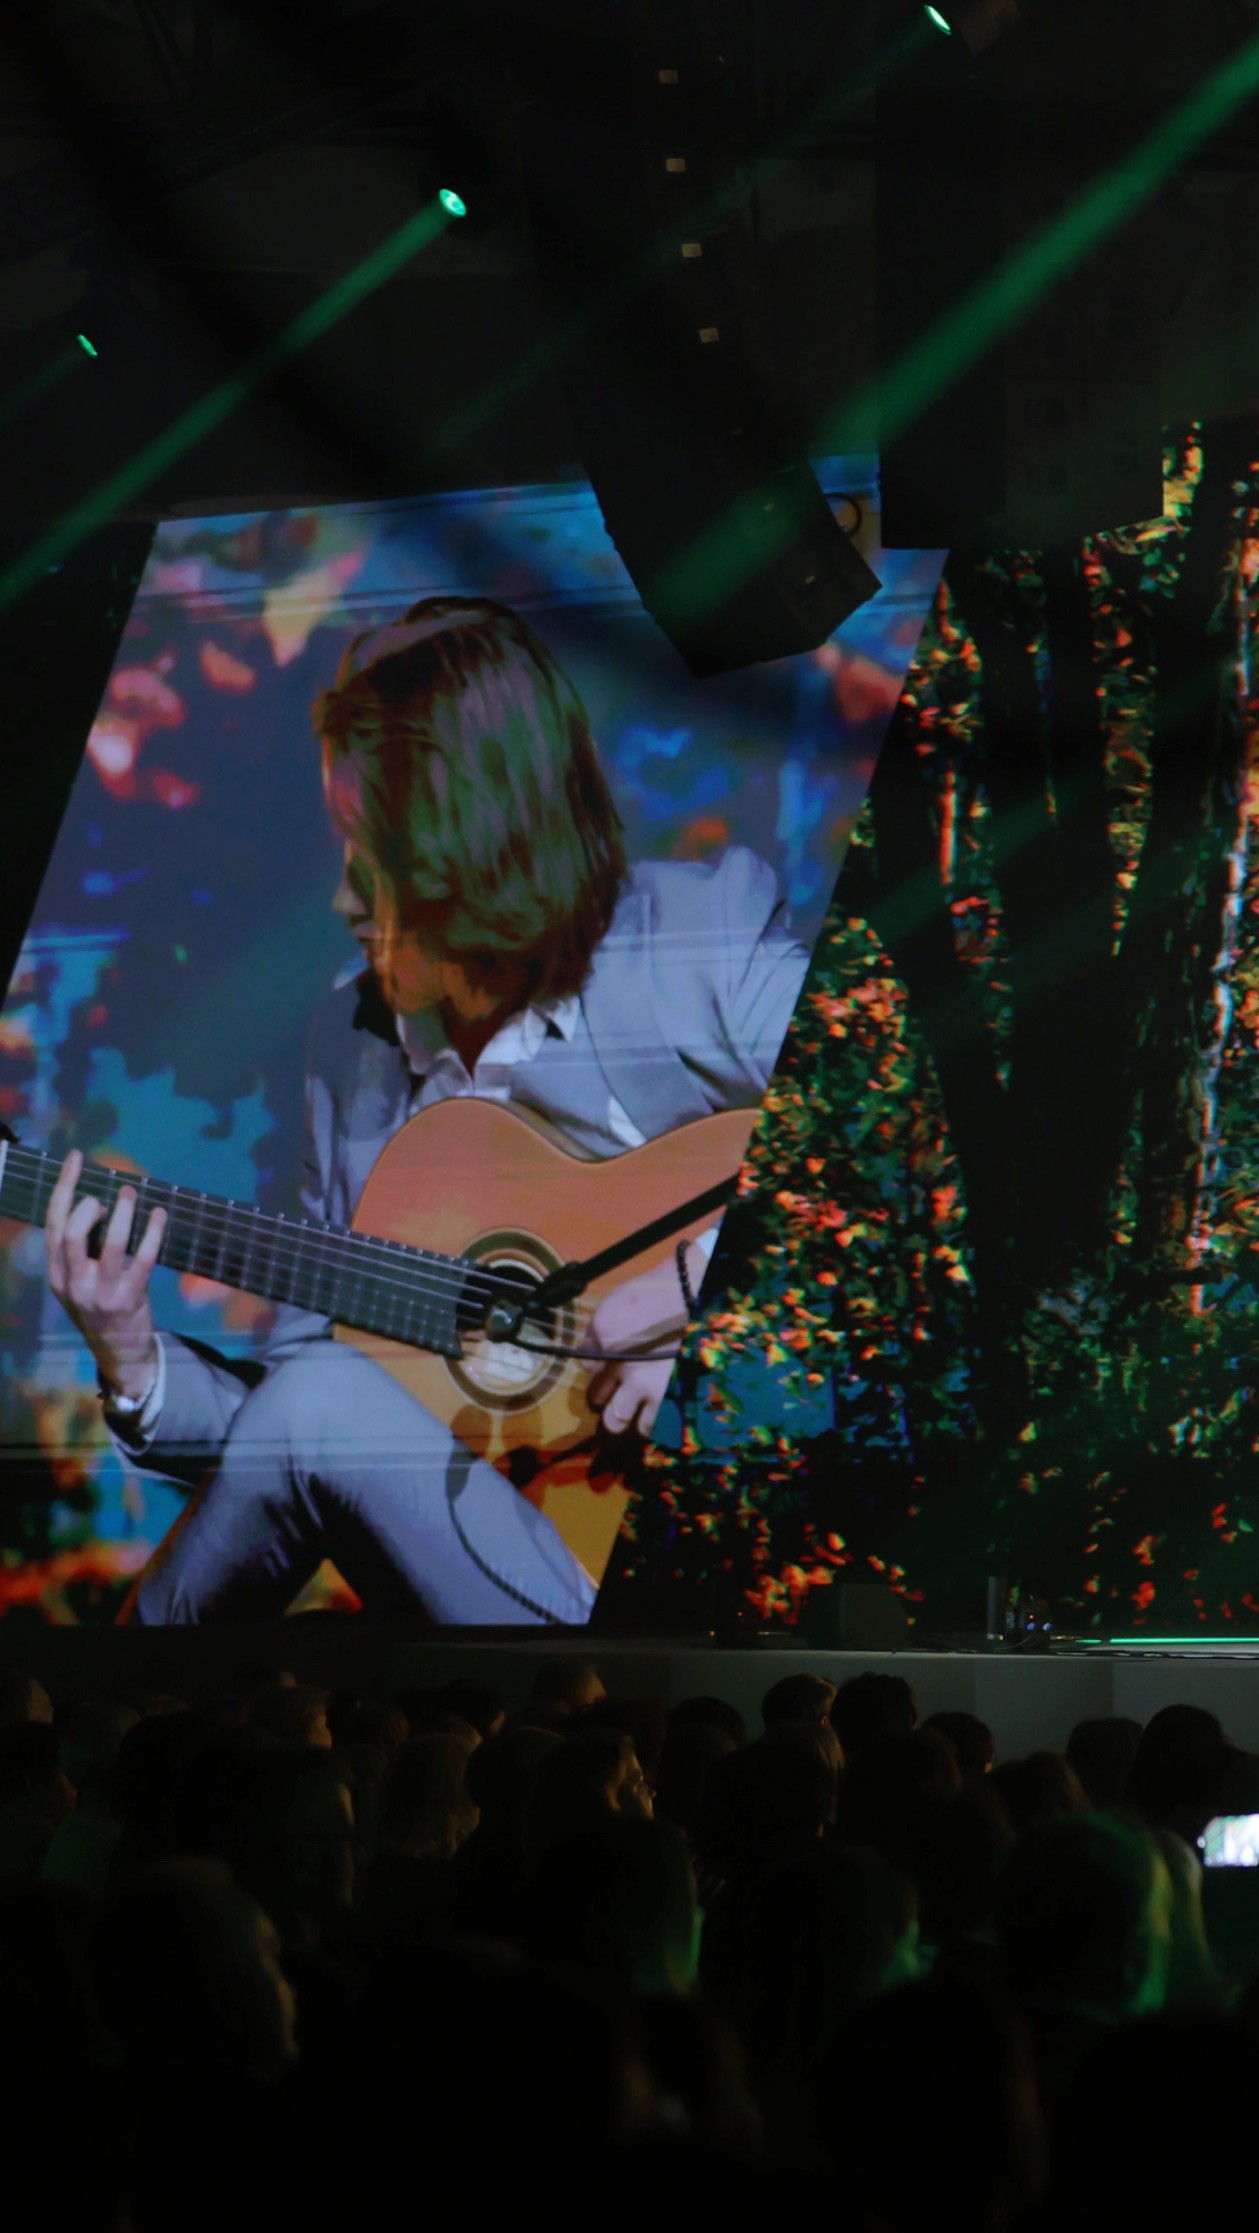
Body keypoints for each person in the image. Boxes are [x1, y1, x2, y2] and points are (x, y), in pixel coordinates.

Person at [43, 596, 810, 1624]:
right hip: (509, 1550)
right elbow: (293, 1434)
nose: (343, 902)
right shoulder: (349, 1047)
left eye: (370, 858)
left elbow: (864, 1142)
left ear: (467, 854)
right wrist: (133, 1357)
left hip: (731, 1545)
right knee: (318, 1395)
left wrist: (685, 1292)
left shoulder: (698, 939)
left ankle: (92, 1708)